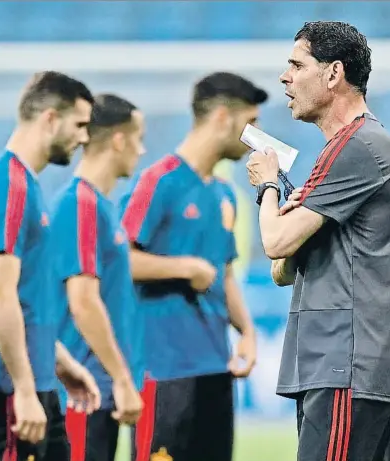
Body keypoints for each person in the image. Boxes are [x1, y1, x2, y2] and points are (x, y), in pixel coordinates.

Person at [246, 21, 390, 461]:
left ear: (334, 73)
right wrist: (290, 215)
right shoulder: (348, 152)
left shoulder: (356, 145)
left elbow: (275, 244)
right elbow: (282, 271)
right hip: (350, 369)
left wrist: (266, 186)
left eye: (297, 65)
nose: (285, 77)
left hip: (347, 367)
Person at [120, 72, 266, 461]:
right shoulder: (158, 181)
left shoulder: (224, 195)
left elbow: (225, 274)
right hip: (164, 370)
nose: (255, 136)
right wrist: (183, 267)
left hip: (216, 368)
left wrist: (247, 332)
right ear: (222, 117)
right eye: (250, 124)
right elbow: (120, 260)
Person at [0, 71, 101, 461]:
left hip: (34, 382)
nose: (85, 138)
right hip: (9, 392)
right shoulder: (8, 184)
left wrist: (60, 362)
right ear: (50, 118)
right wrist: (22, 389)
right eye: (80, 125)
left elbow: (24, 301)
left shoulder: (25, 184)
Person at [53, 94, 146, 461]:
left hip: (97, 389)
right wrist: (121, 379)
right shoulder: (81, 204)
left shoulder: (100, 207)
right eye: (137, 138)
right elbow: (83, 301)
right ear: (119, 140)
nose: (141, 151)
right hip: (83, 391)